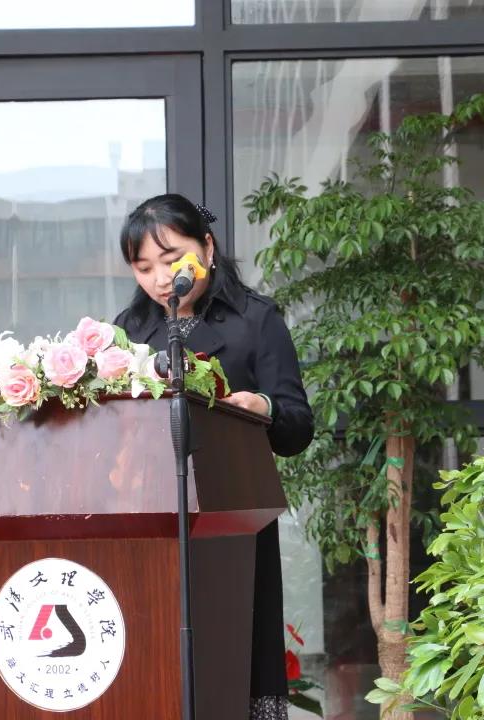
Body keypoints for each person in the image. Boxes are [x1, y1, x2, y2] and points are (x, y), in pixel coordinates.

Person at [114, 193, 314, 720]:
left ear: (207, 245)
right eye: (143, 268)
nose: (161, 279)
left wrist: (262, 407)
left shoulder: (255, 319)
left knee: (233, 657)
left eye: (170, 259)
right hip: (149, 520)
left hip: (232, 521)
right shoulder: (128, 331)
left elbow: (298, 426)